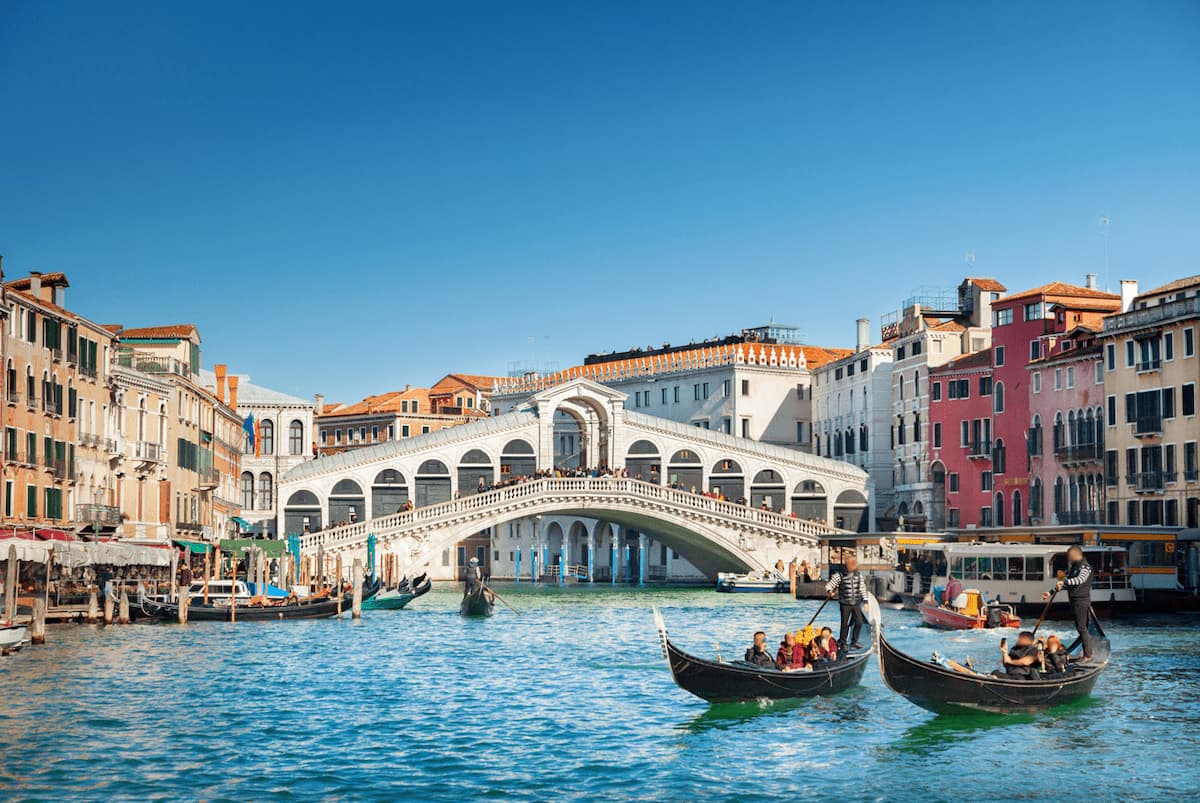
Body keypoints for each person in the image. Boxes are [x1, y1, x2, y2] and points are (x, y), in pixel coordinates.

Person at [1043, 545, 1093, 660]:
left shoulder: (1085, 567)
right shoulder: (1074, 567)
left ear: (1075, 555)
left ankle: (1088, 655)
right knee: (1080, 627)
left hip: (1081, 601)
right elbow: (1066, 584)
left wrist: (1066, 581)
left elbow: (1080, 580)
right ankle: (1085, 651)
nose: (1069, 558)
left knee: (1082, 628)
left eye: (1070, 556)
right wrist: (1050, 592)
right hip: (1074, 600)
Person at [825, 554, 869, 650]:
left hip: (856, 603)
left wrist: (866, 601)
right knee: (844, 623)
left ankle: (854, 642)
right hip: (845, 604)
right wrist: (829, 592)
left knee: (859, 622)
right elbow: (828, 586)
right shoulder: (838, 576)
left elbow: (862, 589)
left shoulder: (859, 575)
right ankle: (843, 642)